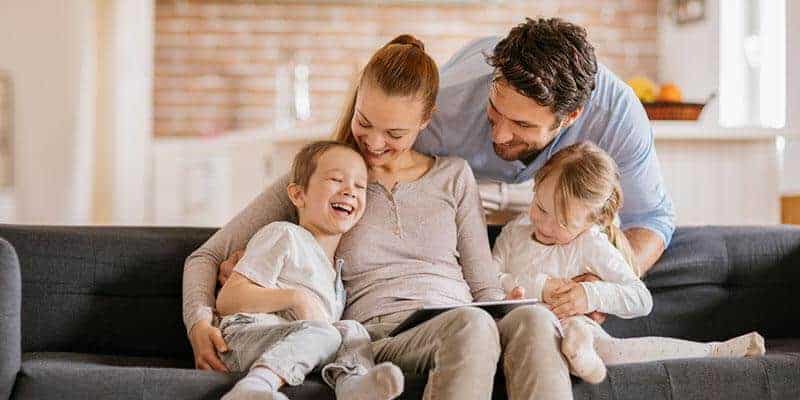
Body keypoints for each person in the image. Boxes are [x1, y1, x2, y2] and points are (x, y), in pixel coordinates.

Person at [184, 34, 574, 400]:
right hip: (387, 334)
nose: (373, 142)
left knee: (534, 321)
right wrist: (199, 323)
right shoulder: (328, 178)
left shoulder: (454, 175)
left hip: (467, 316)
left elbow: (483, 287)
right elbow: (206, 255)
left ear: (425, 121)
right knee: (471, 326)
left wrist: (509, 303)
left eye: (394, 133)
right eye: (364, 122)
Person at [414, 17, 676, 276]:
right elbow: (377, 146)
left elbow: (650, 218)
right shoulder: (439, 105)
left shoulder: (616, 115)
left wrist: (601, 285)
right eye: (495, 109)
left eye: (522, 124)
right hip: (462, 180)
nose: (500, 136)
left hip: (548, 195)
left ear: (571, 116)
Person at [492, 141, 765, 384]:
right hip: (521, 329)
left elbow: (640, 298)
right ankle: (581, 355)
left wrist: (589, 295)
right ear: (536, 183)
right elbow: (490, 276)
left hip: (571, 328)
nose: (544, 223)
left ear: (592, 222)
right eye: (540, 207)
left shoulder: (590, 243)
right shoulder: (516, 230)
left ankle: (713, 351)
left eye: (563, 222)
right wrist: (534, 287)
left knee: (593, 338)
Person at [214, 141, 403, 400]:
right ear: (298, 195)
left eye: (360, 186)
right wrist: (296, 298)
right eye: (336, 179)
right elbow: (227, 300)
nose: (350, 190)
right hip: (244, 339)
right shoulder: (284, 235)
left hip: (297, 344)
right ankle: (254, 386)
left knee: (352, 330)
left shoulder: (336, 275)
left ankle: (353, 386)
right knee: (325, 332)